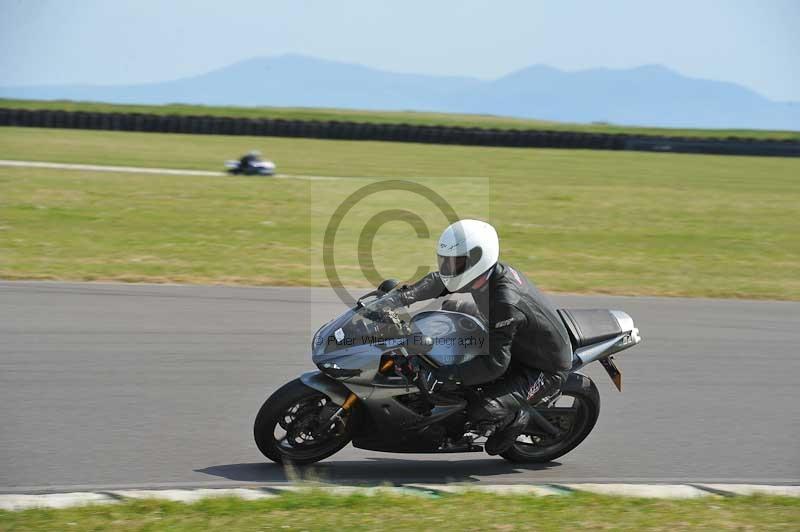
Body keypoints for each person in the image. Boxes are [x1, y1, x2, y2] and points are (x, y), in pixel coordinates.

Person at [386, 219, 573, 455]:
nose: (448, 268)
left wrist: (445, 376)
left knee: (482, 408)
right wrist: (400, 298)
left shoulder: (505, 302)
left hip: (542, 367)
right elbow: (438, 282)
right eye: (446, 261)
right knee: (449, 311)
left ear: (477, 259)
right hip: (507, 334)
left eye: (456, 262)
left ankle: (516, 417)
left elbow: (495, 364)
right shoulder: (484, 274)